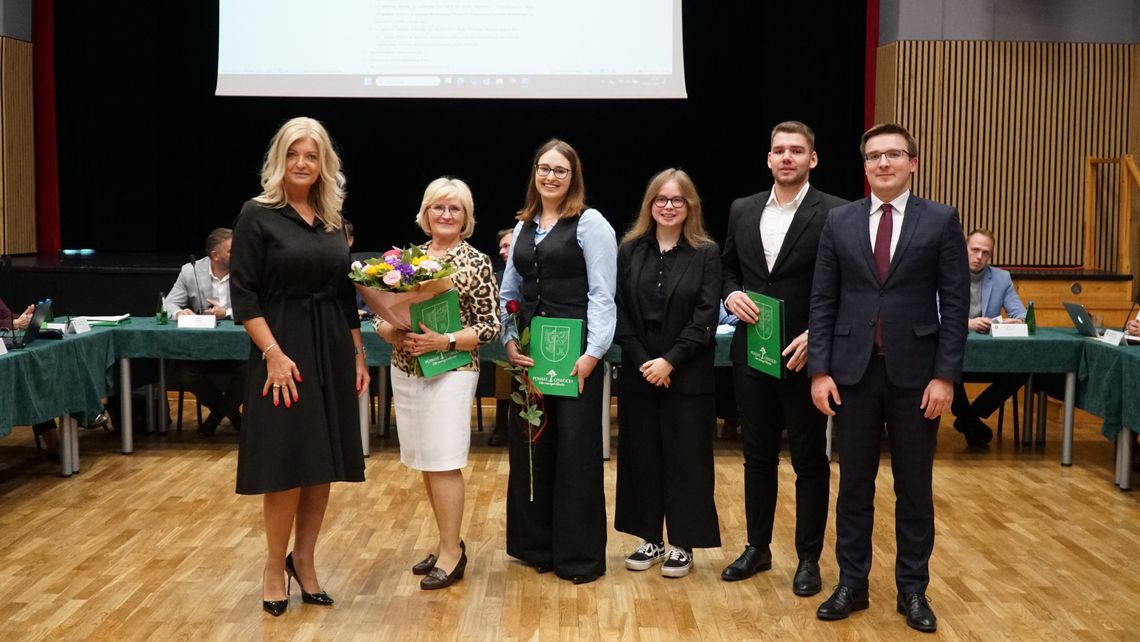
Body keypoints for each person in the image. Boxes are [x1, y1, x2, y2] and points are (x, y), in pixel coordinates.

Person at [808, 123, 969, 633]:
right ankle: (851, 583)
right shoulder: (839, 220)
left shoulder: (941, 220)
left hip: (917, 378)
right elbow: (823, 300)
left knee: (914, 489)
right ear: (865, 166)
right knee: (853, 486)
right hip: (851, 375)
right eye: (874, 156)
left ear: (912, 163)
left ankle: (913, 589)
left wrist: (945, 378)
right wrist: (819, 370)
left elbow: (957, 303)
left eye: (893, 155)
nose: (883, 163)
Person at [229, 116, 369, 617]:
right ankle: (272, 566)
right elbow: (242, 294)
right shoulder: (257, 214)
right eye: (293, 154)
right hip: (281, 350)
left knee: (321, 462)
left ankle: (303, 560)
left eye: (311, 155)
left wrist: (358, 353)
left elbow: (343, 294)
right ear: (279, 160)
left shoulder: (332, 221)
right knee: (287, 464)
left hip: (330, 345)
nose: (302, 163)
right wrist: (273, 355)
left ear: (324, 163)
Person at [720, 121, 849, 596]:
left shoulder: (836, 212)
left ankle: (809, 559)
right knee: (756, 455)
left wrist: (821, 335)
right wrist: (730, 293)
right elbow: (728, 266)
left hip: (804, 354)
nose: (787, 157)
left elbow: (845, 284)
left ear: (813, 159)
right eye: (779, 150)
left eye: (797, 150)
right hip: (751, 350)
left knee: (810, 459)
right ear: (768, 159)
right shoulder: (742, 208)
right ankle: (757, 548)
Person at [499, 138, 617, 584]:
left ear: (573, 177)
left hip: (576, 358)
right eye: (544, 168)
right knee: (534, 450)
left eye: (560, 170)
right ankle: (537, 546)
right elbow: (510, 292)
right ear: (534, 172)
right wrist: (511, 342)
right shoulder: (525, 226)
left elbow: (603, 295)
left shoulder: (590, 223)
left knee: (575, 453)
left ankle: (578, 557)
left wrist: (592, 354)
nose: (550, 176)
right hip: (531, 356)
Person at [375, 177, 500, 590]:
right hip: (407, 368)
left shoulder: (476, 261)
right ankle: (447, 539)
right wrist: (390, 330)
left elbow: (490, 326)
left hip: (452, 369)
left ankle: (452, 554)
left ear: (466, 218)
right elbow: (381, 315)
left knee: (445, 461)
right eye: (438, 208)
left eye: (455, 209)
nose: (446, 215)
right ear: (426, 214)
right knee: (426, 461)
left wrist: (443, 339)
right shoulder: (405, 261)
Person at [614, 168, 721, 578]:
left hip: (687, 377)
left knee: (687, 460)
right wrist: (646, 361)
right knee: (641, 458)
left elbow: (705, 316)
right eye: (661, 199)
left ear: (690, 205)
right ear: (650, 204)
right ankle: (650, 539)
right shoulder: (630, 250)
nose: (669, 206)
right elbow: (619, 310)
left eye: (677, 200)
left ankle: (683, 544)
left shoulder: (706, 253)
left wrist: (670, 361)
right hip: (641, 375)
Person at [164, 228, 246, 435]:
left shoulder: (247, 268)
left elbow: (261, 304)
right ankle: (230, 413)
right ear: (215, 255)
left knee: (252, 368)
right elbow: (169, 304)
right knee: (183, 371)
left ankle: (217, 416)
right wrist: (179, 314)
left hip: (238, 346)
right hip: (203, 346)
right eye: (231, 251)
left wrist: (226, 312)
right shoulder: (190, 271)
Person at [950, 228, 1027, 448]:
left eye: (985, 253)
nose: (979, 257)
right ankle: (970, 421)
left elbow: (1021, 314)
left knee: (1023, 368)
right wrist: (967, 323)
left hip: (991, 357)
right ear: (963, 249)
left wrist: (1010, 322)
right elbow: (934, 315)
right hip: (957, 355)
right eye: (974, 250)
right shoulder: (947, 273)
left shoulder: (1001, 278)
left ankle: (969, 417)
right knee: (942, 363)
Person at [486, 227, 516, 447]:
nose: (502, 251)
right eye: (500, 247)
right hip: (503, 337)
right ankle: (501, 425)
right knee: (503, 362)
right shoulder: (495, 278)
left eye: (507, 245)